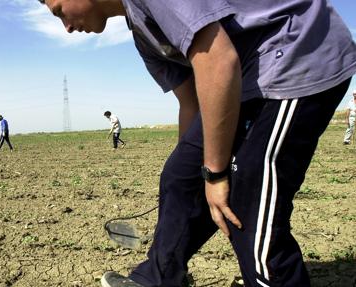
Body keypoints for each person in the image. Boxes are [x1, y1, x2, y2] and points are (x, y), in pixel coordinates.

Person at [38, 0, 356, 286]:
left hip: (295, 52)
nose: (65, 26)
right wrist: (193, 170)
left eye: (58, 11)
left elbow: (217, 61)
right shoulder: (142, 34)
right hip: (247, 78)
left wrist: (215, 174)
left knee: (249, 202)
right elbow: (191, 101)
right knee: (179, 177)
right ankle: (157, 279)